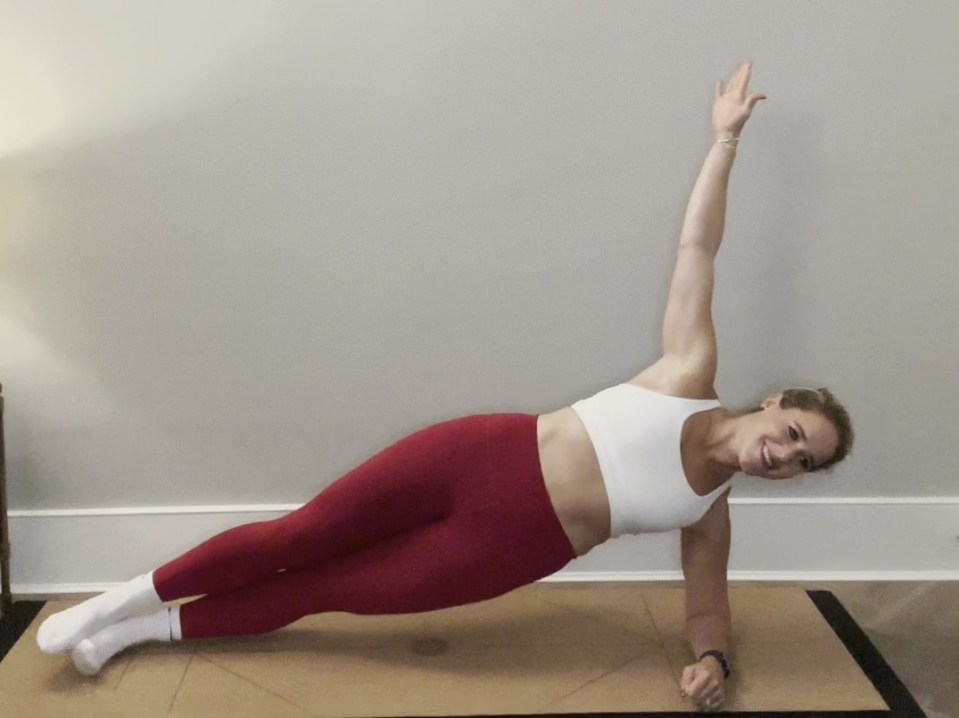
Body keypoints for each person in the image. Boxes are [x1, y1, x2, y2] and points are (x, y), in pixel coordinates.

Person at [37, 60, 852, 713]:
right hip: (480, 454)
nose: (783, 457)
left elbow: (707, 608)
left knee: (321, 591)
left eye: (801, 463)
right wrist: (724, 144)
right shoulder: (687, 372)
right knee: (301, 537)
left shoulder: (708, 515)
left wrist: (711, 658)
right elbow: (697, 252)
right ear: (774, 404)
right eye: (792, 435)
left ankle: (140, 635)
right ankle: (111, 604)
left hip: (506, 549)